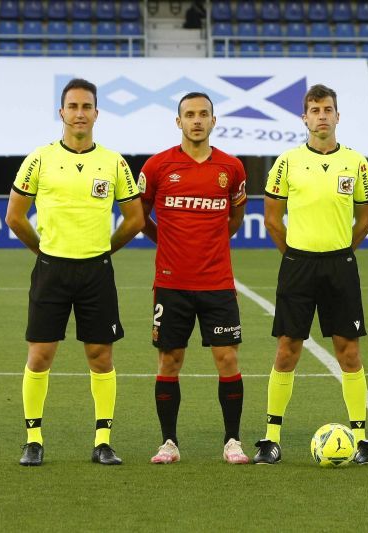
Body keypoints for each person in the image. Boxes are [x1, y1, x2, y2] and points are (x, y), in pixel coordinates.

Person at [6, 78, 145, 466]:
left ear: (97, 113)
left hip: (96, 272)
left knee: (100, 355)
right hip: (51, 270)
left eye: (87, 106)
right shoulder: (40, 158)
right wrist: (42, 250)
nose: (80, 113)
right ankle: (33, 439)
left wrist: (106, 249)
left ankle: (103, 441)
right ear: (61, 112)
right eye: (73, 106)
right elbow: (15, 216)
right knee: (41, 355)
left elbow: (135, 219)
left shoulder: (114, 162)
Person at [253, 84, 368, 465]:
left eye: (327, 109)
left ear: (337, 116)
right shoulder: (287, 162)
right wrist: (295, 256)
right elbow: (273, 220)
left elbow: (366, 218)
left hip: (340, 266)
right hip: (298, 266)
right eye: (315, 110)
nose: (321, 115)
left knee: (349, 351)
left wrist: (341, 251)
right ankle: (271, 437)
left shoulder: (356, 163)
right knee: (287, 349)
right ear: (304, 118)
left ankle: (361, 439)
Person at [139, 92, 249, 464]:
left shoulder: (232, 168)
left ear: (214, 121)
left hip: (217, 283)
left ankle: (232, 441)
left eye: (204, 114)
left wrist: (212, 242)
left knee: (227, 359)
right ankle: (168, 442)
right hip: (171, 285)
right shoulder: (156, 167)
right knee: (169, 360)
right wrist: (167, 241)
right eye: (190, 114)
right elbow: (140, 216)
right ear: (179, 121)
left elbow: (234, 219)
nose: (197, 120)